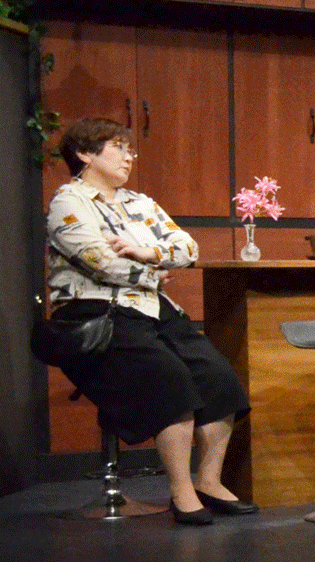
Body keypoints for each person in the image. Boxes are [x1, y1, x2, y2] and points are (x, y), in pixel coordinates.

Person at [44, 118, 256, 526]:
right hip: (96, 312)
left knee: (218, 378)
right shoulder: (69, 202)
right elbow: (97, 260)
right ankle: (181, 492)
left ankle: (208, 481)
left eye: (130, 150)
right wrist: (154, 274)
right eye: (118, 148)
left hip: (153, 308)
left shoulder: (140, 203)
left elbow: (187, 248)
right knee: (169, 379)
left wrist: (145, 252)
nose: (129, 157)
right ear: (85, 154)